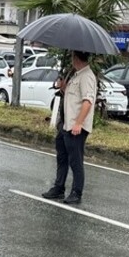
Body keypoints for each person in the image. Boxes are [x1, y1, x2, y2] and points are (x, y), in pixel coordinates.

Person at [42, 51, 98, 205]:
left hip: (76, 127)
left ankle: (76, 192)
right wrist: (64, 88)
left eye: (73, 56)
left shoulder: (87, 77)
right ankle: (59, 187)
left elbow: (87, 102)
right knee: (62, 157)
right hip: (66, 125)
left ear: (76, 58)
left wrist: (79, 123)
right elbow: (75, 98)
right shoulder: (77, 75)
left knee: (75, 160)